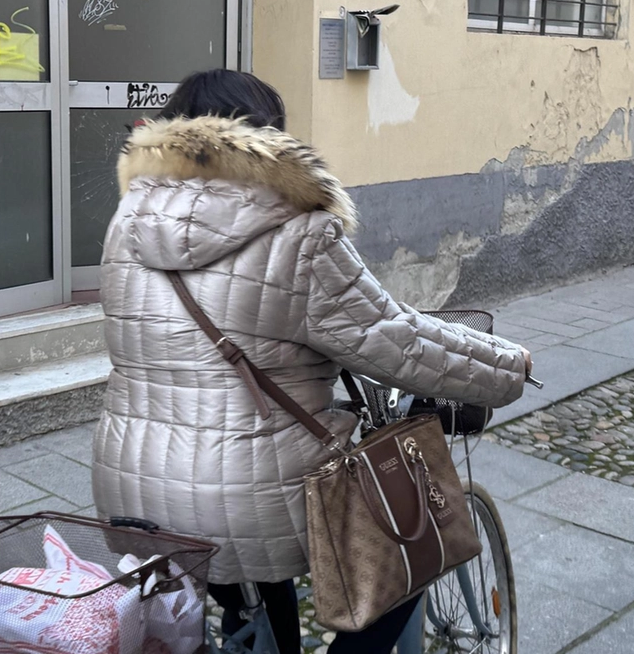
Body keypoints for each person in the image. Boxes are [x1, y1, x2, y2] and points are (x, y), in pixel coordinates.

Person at [91, 69, 531, 653]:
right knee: (408, 553)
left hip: (131, 486)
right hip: (247, 495)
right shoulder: (300, 232)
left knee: (240, 579)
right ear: (269, 138)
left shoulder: (128, 224)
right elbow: (394, 338)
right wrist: (508, 368)